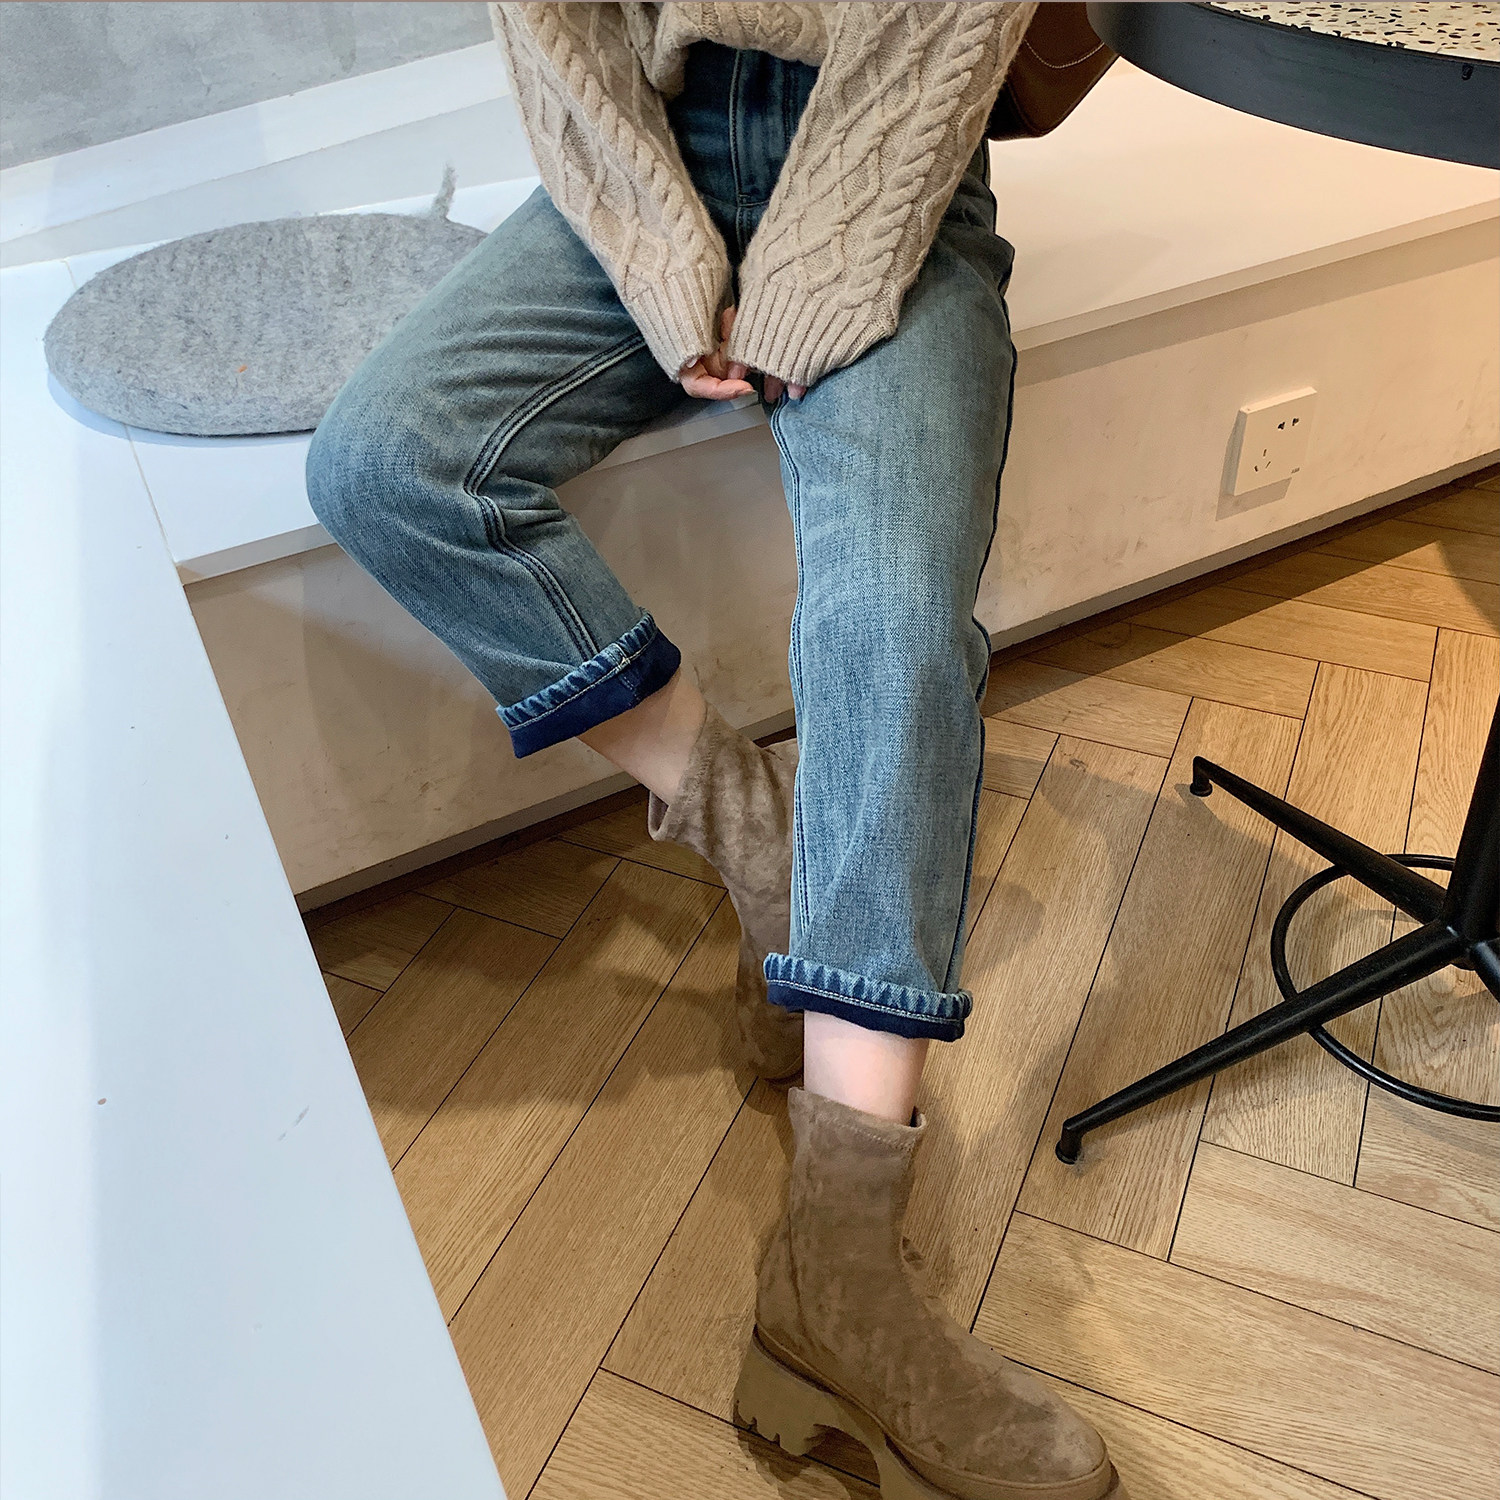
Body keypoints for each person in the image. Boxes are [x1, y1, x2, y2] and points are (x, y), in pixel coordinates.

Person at [307, 5, 1123, 1497]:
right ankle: (764, 852)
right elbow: (558, 31)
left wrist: (809, 279)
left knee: (895, 626)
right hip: (646, 160)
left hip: (897, 163)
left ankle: (839, 1279)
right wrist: (667, 260)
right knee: (384, 461)